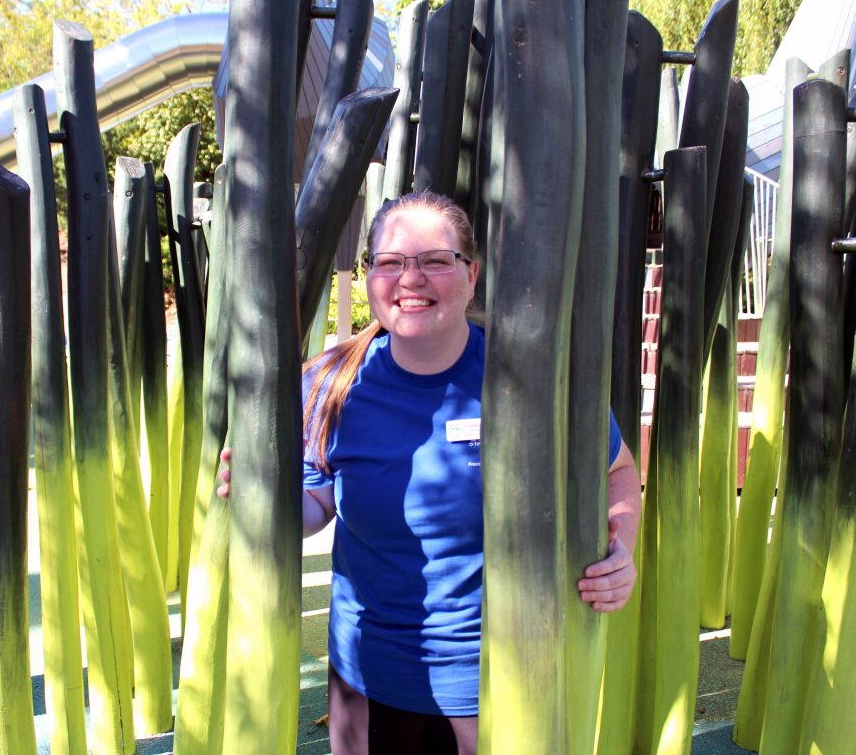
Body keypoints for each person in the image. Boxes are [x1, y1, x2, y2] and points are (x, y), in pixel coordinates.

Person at [218, 190, 641, 755]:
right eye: (390, 263)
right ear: (370, 278)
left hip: (498, 677)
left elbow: (617, 470)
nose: (409, 279)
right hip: (367, 675)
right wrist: (260, 495)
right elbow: (315, 506)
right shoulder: (327, 383)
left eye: (434, 260)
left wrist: (622, 549)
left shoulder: (532, 379)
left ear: (471, 273)